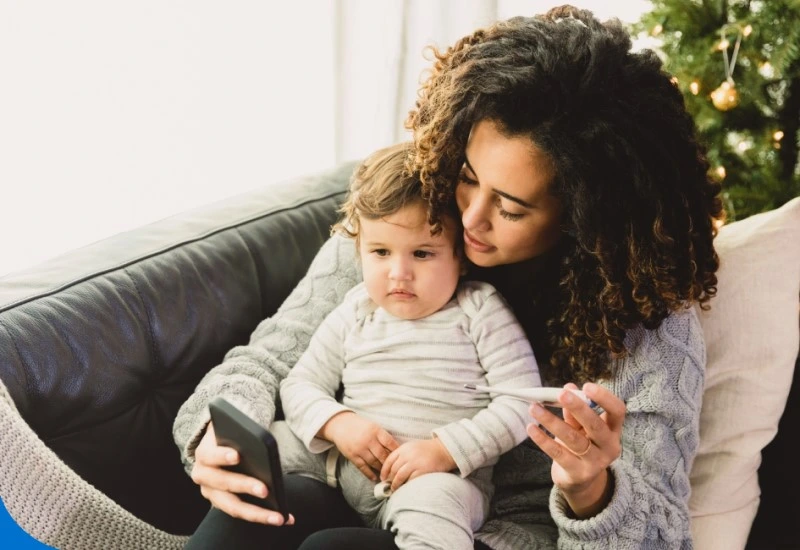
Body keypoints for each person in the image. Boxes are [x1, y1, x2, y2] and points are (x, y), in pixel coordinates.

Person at [175, 4, 722, 549]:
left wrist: (590, 488)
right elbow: (269, 360)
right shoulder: (407, 222)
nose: (468, 219)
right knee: (252, 513)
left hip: (486, 531)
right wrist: (220, 445)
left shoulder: (648, 321)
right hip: (348, 483)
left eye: (510, 208)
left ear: (585, 217)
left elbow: (661, 537)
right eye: (466, 178)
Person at [267, 141, 541, 550]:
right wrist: (339, 425)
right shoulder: (356, 308)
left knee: (432, 510)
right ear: (359, 250)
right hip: (342, 467)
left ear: (460, 257)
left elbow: (521, 404)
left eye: (423, 253)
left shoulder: (478, 309)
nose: (399, 274)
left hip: (439, 480)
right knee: (266, 445)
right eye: (380, 252)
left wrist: (445, 450)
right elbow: (300, 383)